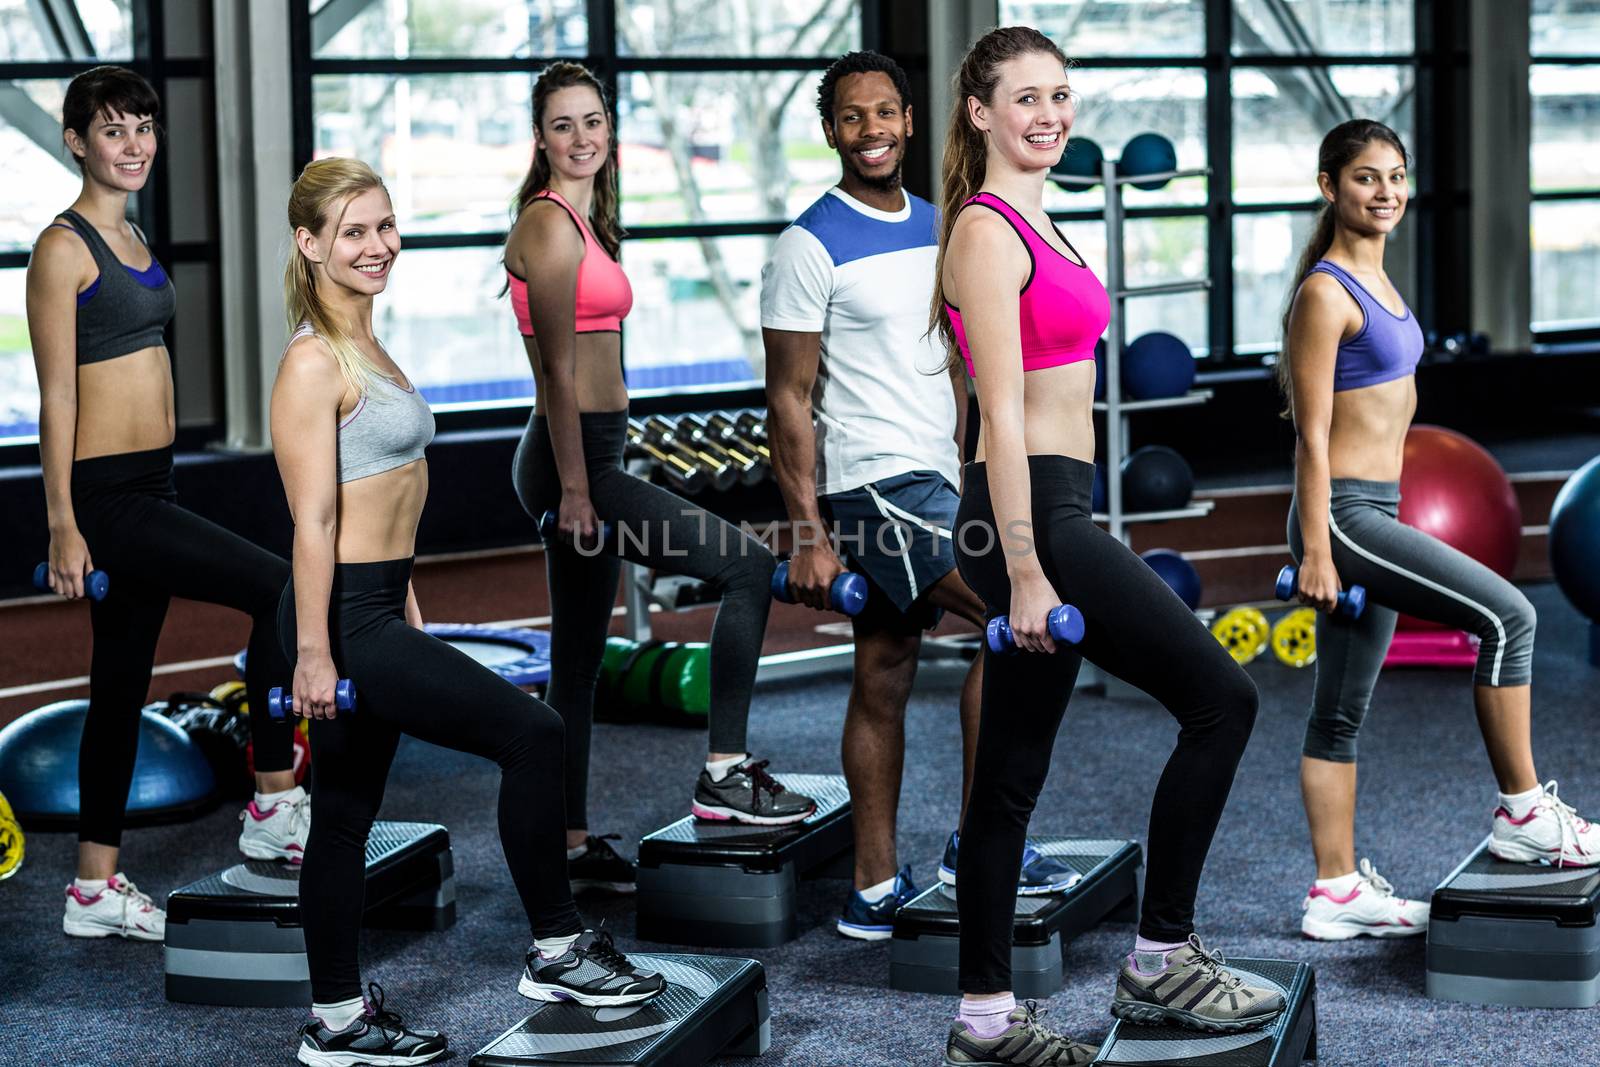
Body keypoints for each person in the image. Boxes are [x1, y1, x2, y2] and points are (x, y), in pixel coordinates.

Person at [929, 28, 1281, 1066]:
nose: (1048, 115)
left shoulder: (1047, 219)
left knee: (1006, 781)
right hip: (1028, 514)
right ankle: (1159, 959)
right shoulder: (987, 233)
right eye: (1026, 98)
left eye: (1061, 97)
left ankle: (983, 1020)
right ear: (980, 112)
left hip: (1059, 504)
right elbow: (997, 415)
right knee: (1225, 699)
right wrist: (1028, 568)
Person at [274, 157, 662, 1067]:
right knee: (532, 732)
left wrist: (412, 606)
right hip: (344, 620)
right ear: (310, 243)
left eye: (384, 226)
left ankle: (336, 1024)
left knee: (343, 814)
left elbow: (389, 495)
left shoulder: (370, 342)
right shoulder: (309, 362)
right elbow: (314, 519)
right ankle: (558, 949)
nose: (377, 246)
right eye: (354, 232)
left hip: (379, 604)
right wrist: (312, 653)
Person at [763, 50, 1078, 944]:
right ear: (832, 131)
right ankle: (986, 847)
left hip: (942, 473)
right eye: (853, 117)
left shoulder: (947, 225)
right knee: (1014, 621)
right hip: (872, 482)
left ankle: (870, 887)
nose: (873, 131)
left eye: (887, 114)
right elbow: (787, 398)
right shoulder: (808, 244)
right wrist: (808, 534)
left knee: (886, 663)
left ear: (909, 120)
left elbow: (970, 365)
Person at [1281, 119, 1600, 943]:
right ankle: (1525, 812)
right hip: (1345, 517)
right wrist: (1317, 545)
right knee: (1511, 617)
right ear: (1329, 187)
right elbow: (1310, 433)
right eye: (1364, 178)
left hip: (1375, 506)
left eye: (1394, 176)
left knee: (1339, 713)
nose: (1383, 192)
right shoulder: (1325, 293)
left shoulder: (1381, 279)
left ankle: (1336, 889)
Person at [505, 62, 817, 865]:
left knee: (575, 661)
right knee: (747, 567)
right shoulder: (545, 226)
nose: (581, 138)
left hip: (595, 452)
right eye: (563, 124)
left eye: (593, 122)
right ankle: (723, 772)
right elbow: (556, 374)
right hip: (572, 462)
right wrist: (578, 491)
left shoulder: (584, 222)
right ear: (540, 137)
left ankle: (569, 841)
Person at [26, 65, 305, 945]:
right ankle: (272, 799)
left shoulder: (138, 237)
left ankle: (92, 888)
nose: (135, 143)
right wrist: (64, 522)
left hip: (158, 480)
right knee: (279, 587)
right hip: (110, 498)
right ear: (77, 141)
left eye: (143, 127)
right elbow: (58, 397)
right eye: (114, 130)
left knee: (118, 692)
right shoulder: (61, 249)